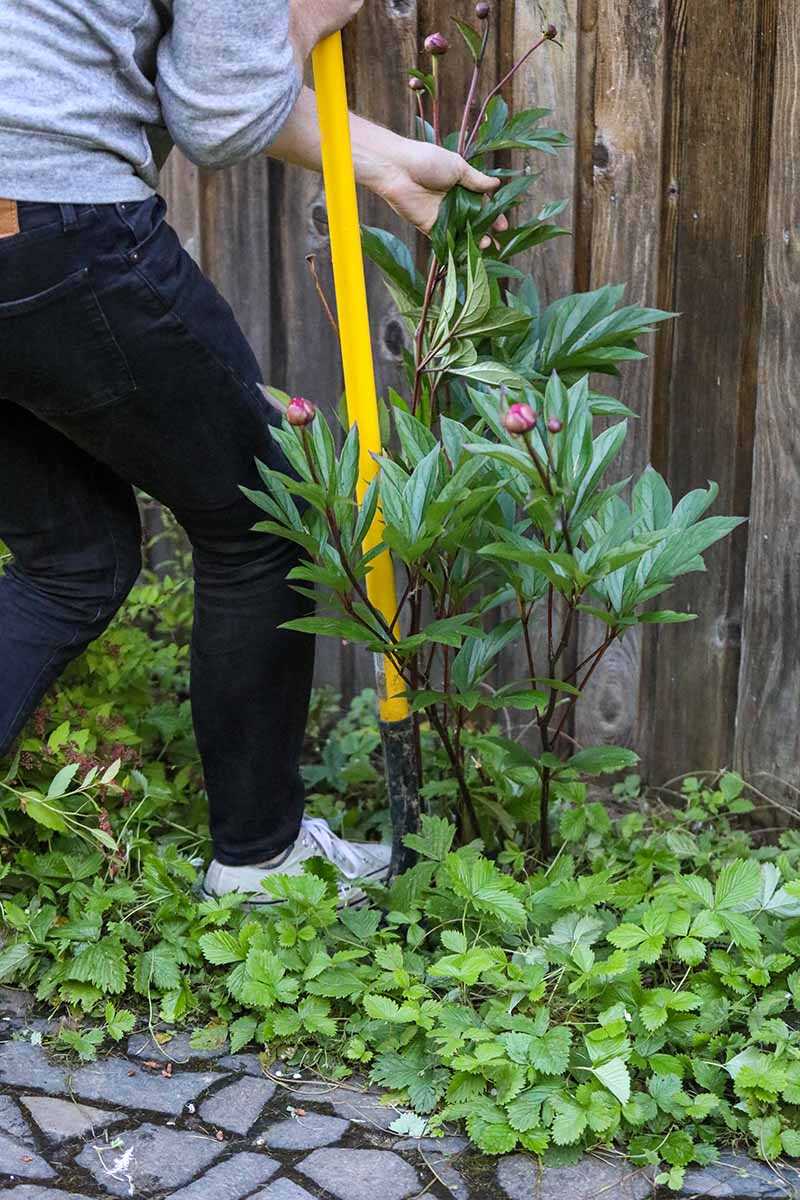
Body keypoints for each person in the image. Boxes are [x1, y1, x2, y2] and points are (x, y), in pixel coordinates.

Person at [0, 0, 505, 904]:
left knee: (66, 564)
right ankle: (258, 859)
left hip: (24, 211)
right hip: (50, 216)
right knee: (267, 517)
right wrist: (305, 21)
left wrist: (389, 164)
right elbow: (221, 113)